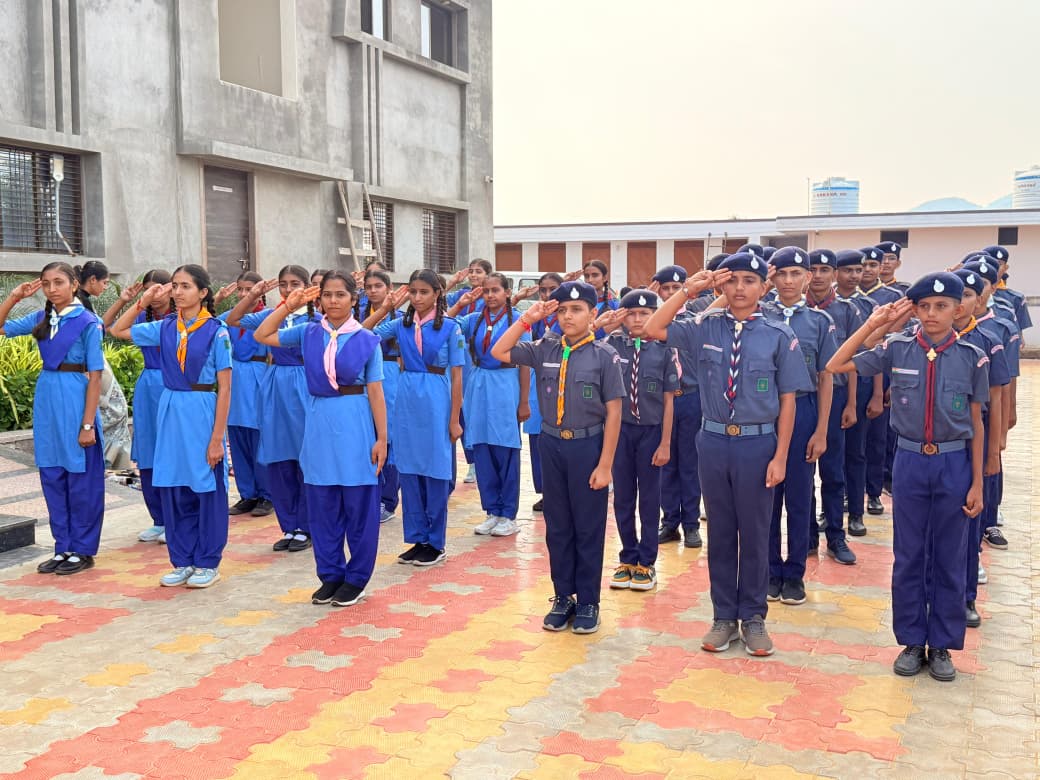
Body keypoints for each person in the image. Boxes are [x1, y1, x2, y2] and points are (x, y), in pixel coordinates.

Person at [645, 255, 813, 657]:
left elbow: (788, 401)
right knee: (720, 533)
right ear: (721, 285)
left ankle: (753, 618)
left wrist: (781, 456)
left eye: (749, 280)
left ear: (764, 286)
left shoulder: (778, 334)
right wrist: (690, 290)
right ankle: (723, 616)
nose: (740, 288)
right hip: (714, 441)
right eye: (732, 280)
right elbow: (653, 328)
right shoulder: (704, 327)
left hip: (758, 443)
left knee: (755, 532)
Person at [827, 273, 987, 682]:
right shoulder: (896, 348)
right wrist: (874, 323)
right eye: (924, 307)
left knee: (950, 556)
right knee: (909, 554)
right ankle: (913, 641)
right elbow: (835, 364)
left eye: (941, 306)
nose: (932, 314)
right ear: (914, 310)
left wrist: (977, 482)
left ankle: (943, 644)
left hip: (954, 463)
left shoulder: (972, 356)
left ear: (957, 309)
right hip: (911, 462)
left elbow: (976, 422)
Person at [492, 281, 623, 635]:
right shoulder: (544, 347)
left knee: (588, 527)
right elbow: (499, 351)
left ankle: (589, 601)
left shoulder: (605, 355)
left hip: (588, 447)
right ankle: (563, 596)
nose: (568, 316)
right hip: (552, 446)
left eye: (576, 310)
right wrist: (528, 319)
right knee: (558, 526)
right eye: (562, 310)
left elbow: (614, 412)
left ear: (593, 315)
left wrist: (606, 465)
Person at [254, 271, 387, 607]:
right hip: (318, 422)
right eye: (327, 294)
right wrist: (288, 306)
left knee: (358, 506)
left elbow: (375, 391)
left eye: (340, 294)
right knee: (322, 504)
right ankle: (330, 574)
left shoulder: (366, 340)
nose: (333, 301)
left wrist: (382, 438)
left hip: (354, 422)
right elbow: (262, 334)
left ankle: (356, 578)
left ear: (354, 299)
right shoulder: (309, 332)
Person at [110, 265, 233, 589]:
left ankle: (208, 561)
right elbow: (118, 329)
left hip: (201, 409)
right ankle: (183, 560)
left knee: (206, 487)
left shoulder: (216, 331)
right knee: (175, 487)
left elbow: (225, 387)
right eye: (174, 286)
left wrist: (217, 438)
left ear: (203, 292)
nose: (177, 292)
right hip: (170, 409)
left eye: (185, 286)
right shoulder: (164, 327)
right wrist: (143, 300)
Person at [0, 264, 105, 575]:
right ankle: (63, 547)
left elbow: (96, 376)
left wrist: (88, 424)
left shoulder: (88, 322)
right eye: (46, 284)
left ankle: (82, 549)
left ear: (74, 284)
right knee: (52, 475)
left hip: (75, 397)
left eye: (58, 282)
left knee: (81, 479)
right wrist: (15, 297)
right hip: (47, 397)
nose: (51, 289)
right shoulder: (41, 318)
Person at [364, 269, 464, 566]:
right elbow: (363, 334)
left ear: (437, 294)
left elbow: (457, 377)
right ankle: (417, 537)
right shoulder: (400, 324)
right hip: (406, 398)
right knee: (409, 469)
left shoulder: (451, 328)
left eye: (424, 292)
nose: (417, 298)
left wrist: (454, 419)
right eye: (413, 292)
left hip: (436, 398)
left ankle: (435, 542)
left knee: (435, 470)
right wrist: (385, 308)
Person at [760, 248, 836, 605]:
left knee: (799, 495)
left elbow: (826, 377)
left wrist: (821, 430)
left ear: (808, 277)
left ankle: (794, 573)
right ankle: (770, 569)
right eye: (782, 274)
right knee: (766, 494)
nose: (788, 281)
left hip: (804, 410)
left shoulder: (819, 322)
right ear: (772, 277)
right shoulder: (760, 315)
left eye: (796, 274)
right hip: (765, 410)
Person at [226, 266, 318, 552]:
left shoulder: (316, 319)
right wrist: (253, 294)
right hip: (275, 384)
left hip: (304, 384)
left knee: (305, 458)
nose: (288, 289)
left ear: (307, 287)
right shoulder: (271, 315)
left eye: (295, 284)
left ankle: (307, 525)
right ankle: (289, 525)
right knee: (279, 458)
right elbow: (233, 319)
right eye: (283, 284)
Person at [601, 290, 677, 592]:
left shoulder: (665, 349)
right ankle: (627, 557)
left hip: (651, 432)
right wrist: (605, 324)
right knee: (622, 497)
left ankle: (647, 561)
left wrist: (666, 443)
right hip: (620, 433)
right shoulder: (611, 346)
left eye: (644, 314)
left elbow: (669, 401)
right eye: (630, 313)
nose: (636, 319)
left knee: (649, 498)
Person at [450, 273, 531, 537]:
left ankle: (508, 514)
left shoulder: (519, 320)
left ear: (507, 292)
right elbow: (443, 324)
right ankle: (492, 511)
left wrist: (523, 401)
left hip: (505, 385)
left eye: (495, 290)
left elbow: (525, 363)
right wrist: (460, 304)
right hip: (479, 385)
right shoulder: (473, 319)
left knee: (505, 448)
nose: (490, 295)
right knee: (482, 446)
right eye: (486, 291)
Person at [952, 267, 1009, 629]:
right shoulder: (923, 337)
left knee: (970, 522)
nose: (959, 303)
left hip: (975, 438)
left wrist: (993, 453)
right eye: (955, 296)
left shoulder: (988, 340)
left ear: (978, 299)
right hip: (939, 440)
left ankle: (967, 595)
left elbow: (997, 398)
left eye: (967, 296)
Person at [102, 270, 174, 543]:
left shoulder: (177, 318)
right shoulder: (143, 316)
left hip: (172, 384)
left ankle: (175, 519)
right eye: (148, 289)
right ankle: (158, 519)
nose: (154, 294)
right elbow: (109, 327)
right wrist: (129, 301)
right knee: (148, 452)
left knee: (170, 451)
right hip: (148, 387)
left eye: (158, 288)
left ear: (170, 288)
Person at [963, 256, 1019, 572]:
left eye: (982, 286)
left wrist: (1000, 437)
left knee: (986, 476)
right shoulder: (936, 331)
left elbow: (1004, 386)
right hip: (949, 426)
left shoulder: (996, 331)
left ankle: (985, 531)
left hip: (982, 420)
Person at [805, 250, 860, 564]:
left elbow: (852, 361)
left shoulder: (845, 311)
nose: (819, 276)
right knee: (802, 473)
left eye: (825, 269)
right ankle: (807, 535)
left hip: (836, 397)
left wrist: (851, 402)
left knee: (833, 471)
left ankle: (836, 536)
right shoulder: (794, 311)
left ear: (834, 274)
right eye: (813, 269)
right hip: (800, 399)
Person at [214, 272, 274, 519]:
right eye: (240, 289)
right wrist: (217, 299)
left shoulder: (268, 316)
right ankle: (247, 493)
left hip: (258, 377)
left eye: (249, 289)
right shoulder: (230, 316)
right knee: (237, 438)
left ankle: (267, 494)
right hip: (235, 380)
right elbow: (206, 322)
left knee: (260, 439)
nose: (243, 294)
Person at [653, 265, 704, 549]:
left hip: (691, 398)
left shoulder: (696, 322)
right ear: (659, 291)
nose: (671, 292)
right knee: (666, 463)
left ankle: (691, 524)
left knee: (690, 464)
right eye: (666, 289)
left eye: (677, 288)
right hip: (663, 401)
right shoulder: (653, 323)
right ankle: (670, 521)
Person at [834, 249, 881, 537]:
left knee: (856, 451)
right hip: (830, 386)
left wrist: (876, 393)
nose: (854, 275)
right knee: (832, 456)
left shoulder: (869, 306)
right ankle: (831, 510)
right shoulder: (821, 305)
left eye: (858, 270)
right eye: (847, 270)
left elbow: (877, 353)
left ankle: (856, 513)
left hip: (859, 385)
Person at [76, 261, 133, 471]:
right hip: (88, 366)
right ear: (92, 280)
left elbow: (102, 324)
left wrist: (122, 301)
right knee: (114, 411)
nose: (105, 287)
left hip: (94, 363)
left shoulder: (84, 302)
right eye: (105, 282)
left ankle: (111, 462)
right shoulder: (77, 304)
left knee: (116, 411)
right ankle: (105, 462)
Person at [361, 269, 402, 523]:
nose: (373, 290)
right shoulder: (358, 315)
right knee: (368, 435)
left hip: (391, 374)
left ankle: (388, 500)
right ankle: (370, 495)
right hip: (364, 377)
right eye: (369, 287)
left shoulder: (401, 317)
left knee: (389, 437)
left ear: (389, 288)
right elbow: (358, 335)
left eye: (378, 286)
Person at [446, 259, 491, 484]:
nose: (473, 275)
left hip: (474, 356)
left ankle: (477, 460)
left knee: (473, 409)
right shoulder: (461, 295)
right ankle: (470, 461)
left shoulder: (488, 298)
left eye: (478, 272)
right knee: (458, 408)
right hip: (456, 353)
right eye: (471, 271)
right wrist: (453, 281)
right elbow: (438, 302)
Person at [522, 273, 563, 512]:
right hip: (538, 382)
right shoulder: (536, 317)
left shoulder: (568, 316)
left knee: (559, 439)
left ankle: (560, 492)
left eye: (553, 289)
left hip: (562, 381)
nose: (547, 295)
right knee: (537, 439)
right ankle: (546, 491)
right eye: (543, 290)